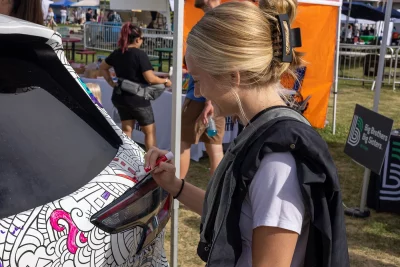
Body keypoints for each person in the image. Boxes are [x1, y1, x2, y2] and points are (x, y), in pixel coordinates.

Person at [145, 0, 349, 266]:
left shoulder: (277, 164)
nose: (198, 92)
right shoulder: (262, 133)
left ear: (233, 76)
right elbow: (235, 211)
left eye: (198, 79)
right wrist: (176, 186)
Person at [100, 23, 172, 150]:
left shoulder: (117, 53)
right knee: (149, 132)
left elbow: (103, 67)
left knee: (127, 130)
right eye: (142, 38)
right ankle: (151, 164)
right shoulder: (140, 54)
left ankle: (127, 159)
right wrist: (165, 81)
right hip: (138, 99)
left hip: (120, 96)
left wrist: (111, 83)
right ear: (137, 39)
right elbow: (150, 78)